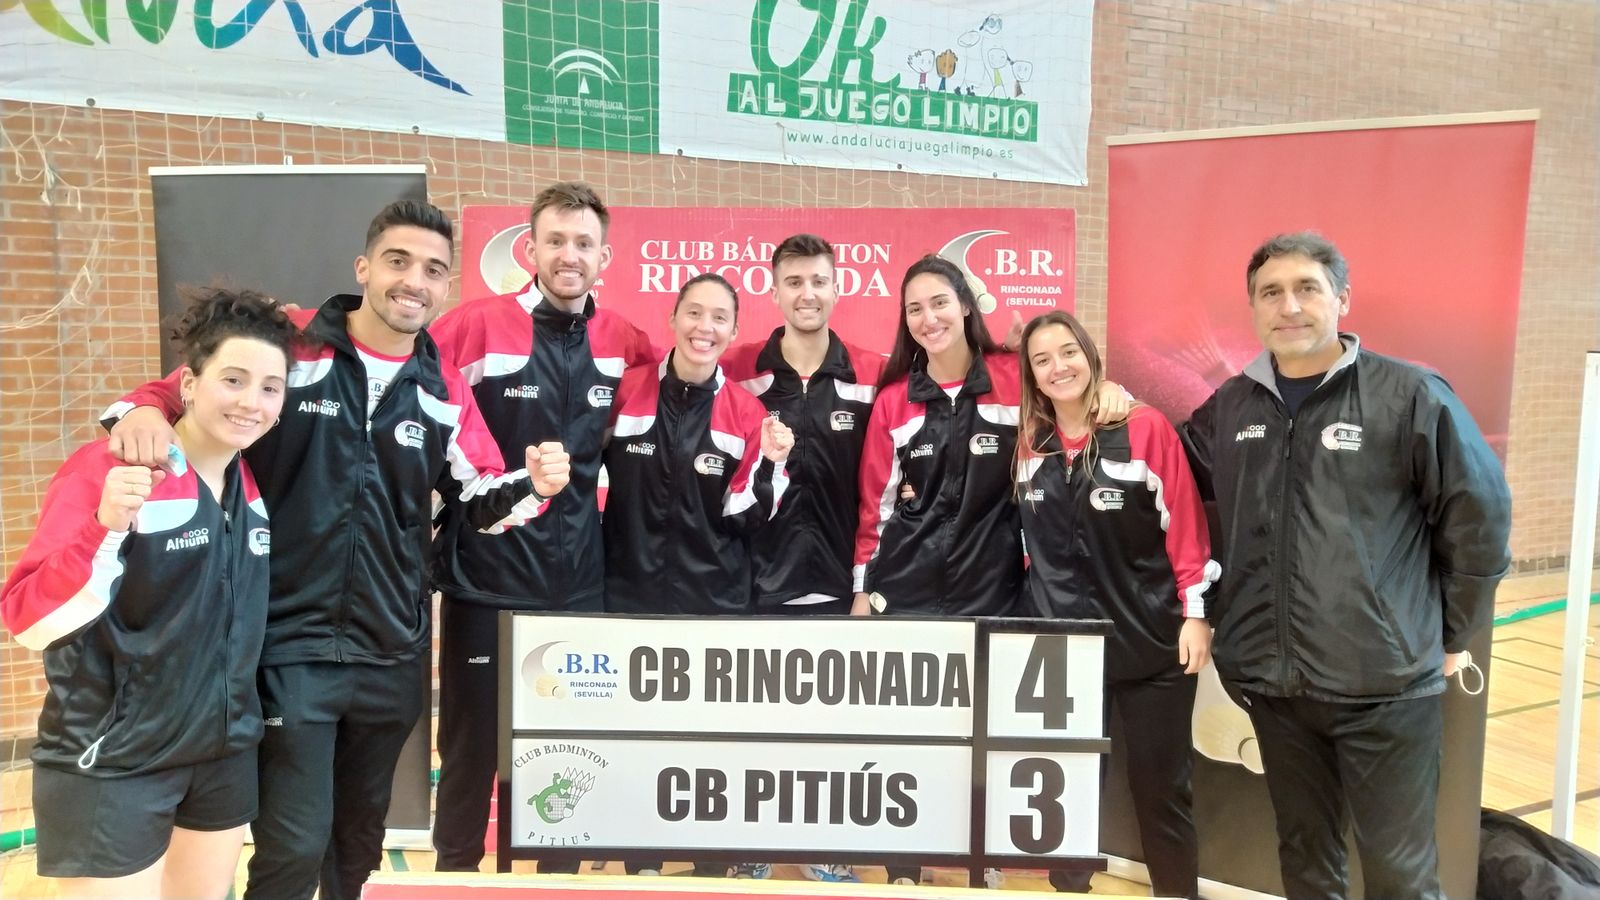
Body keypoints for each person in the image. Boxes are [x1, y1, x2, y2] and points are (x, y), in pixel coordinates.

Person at [103, 200, 572, 900]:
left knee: (356, 847)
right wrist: (141, 407)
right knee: (293, 843)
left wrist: (532, 487)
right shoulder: (292, 345)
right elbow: (194, 385)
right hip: (288, 644)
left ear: (447, 289)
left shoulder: (442, 389)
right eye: (398, 261)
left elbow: (477, 501)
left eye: (434, 270)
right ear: (364, 268)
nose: (414, 280)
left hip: (391, 655)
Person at [1179, 232, 1512, 898]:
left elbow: (1480, 520)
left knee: (1399, 871)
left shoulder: (1409, 395)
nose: (1289, 306)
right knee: (1305, 859)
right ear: (1253, 308)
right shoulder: (1234, 404)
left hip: (1382, 686)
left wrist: (1453, 635)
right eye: (1271, 292)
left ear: (1342, 299)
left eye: (1307, 288)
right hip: (1276, 688)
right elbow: (1168, 472)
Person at [1, 288, 297, 899]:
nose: (251, 402)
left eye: (270, 387)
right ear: (187, 384)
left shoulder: (247, 487)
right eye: (233, 379)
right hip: (112, 760)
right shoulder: (108, 468)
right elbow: (27, 619)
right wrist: (103, 530)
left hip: (220, 752)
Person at [851, 256, 1125, 887]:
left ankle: (982, 861)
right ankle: (904, 867)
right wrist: (864, 589)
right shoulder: (894, 402)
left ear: (967, 304)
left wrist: (1115, 393)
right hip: (907, 594)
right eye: (915, 309)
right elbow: (877, 504)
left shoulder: (1011, 378)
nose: (929, 318)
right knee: (912, 741)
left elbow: (1074, 412)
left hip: (995, 590)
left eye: (940, 303)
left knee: (986, 739)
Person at [426, 181, 656, 873]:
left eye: (583, 243)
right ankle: (455, 881)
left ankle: (555, 883)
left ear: (604, 257)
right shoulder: (472, 327)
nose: (568, 255)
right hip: (486, 582)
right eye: (555, 240)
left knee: (563, 756)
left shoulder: (626, 342)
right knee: (471, 752)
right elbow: (405, 388)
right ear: (530, 247)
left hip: (577, 588)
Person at [1013, 311, 1217, 899]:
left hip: (1152, 646)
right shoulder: (1033, 441)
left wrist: (1195, 614)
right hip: (1066, 652)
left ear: (1090, 354)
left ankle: (1175, 893)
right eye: (1042, 359)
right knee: (1068, 786)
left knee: (1161, 788)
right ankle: (1068, 887)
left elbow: (1185, 530)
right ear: (1031, 374)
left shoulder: (1145, 427)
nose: (1058, 367)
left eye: (1068, 352)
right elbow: (1033, 549)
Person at [603, 272, 793, 878]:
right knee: (638, 739)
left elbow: (747, 518)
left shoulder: (746, 411)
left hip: (714, 604)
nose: (703, 328)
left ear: (733, 332)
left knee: (708, 743)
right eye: (693, 314)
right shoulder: (624, 392)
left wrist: (774, 465)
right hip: (627, 598)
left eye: (718, 319)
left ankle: (712, 862)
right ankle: (642, 859)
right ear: (673, 319)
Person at [719, 233, 881, 883]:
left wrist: (869, 582)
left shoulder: (873, 373)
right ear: (775, 289)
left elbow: (887, 484)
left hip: (846, 587)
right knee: (759, 723)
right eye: (793, 281)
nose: (806, 293)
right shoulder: (740, 372)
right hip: (762, 581)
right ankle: (752, 842)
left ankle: (827, 843)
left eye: (818, 280)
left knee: (834, 727)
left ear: (838, 286)